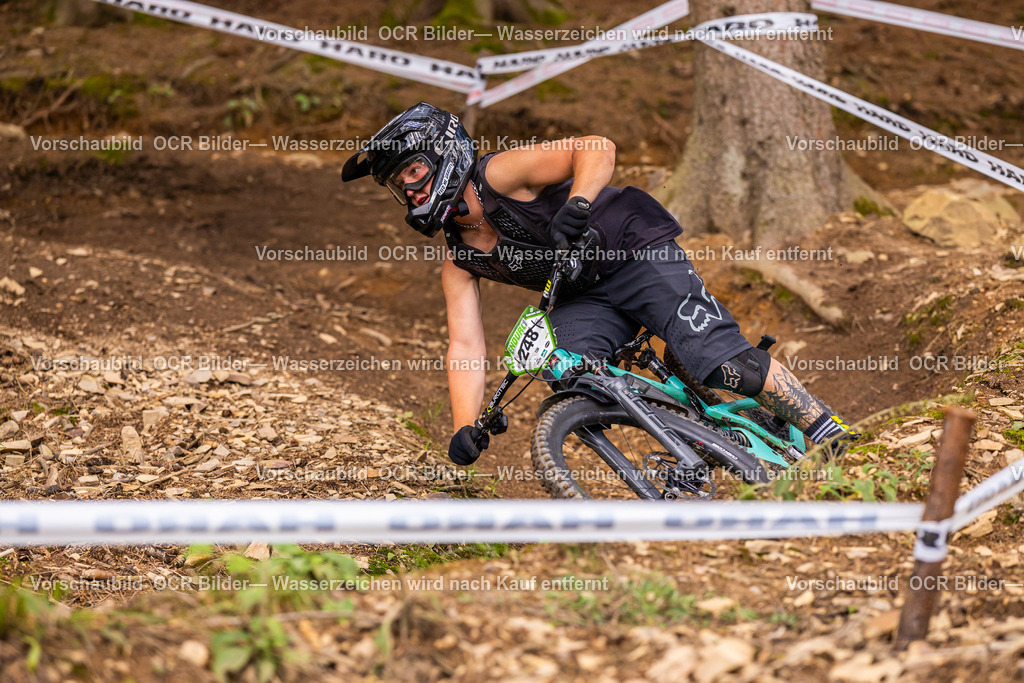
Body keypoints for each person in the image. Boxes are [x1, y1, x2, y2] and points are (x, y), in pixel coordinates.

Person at [342, 102, 858, 466]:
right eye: (396, 183)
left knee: (720, 362)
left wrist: (579, 202)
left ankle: (833, 437)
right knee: (567, 373)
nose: (409, 189)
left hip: (632, 250)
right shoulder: (458, 261)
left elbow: (594, 146)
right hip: (585, 294)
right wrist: (463, 424)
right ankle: (692, 433)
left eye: (412, 170)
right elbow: (465, 346)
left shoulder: (498, 175)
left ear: (442, 153)